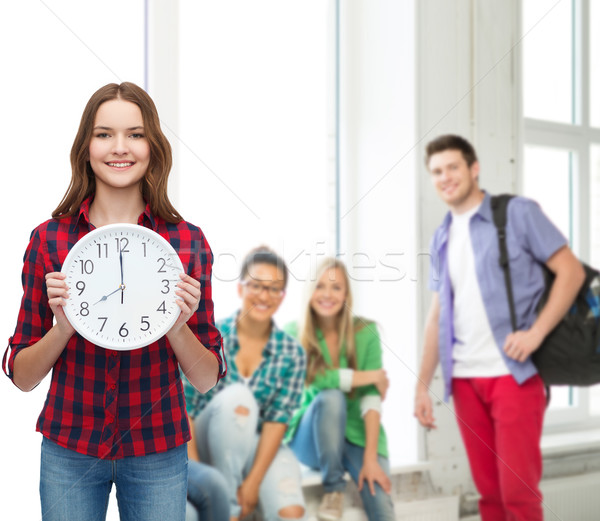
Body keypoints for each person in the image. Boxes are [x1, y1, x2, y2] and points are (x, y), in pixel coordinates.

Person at [3, 82, 226, 521]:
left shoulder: (186, 243)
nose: (119, 147)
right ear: (86, 146)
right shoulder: (49, 240)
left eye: (135, 134)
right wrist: (63, 326)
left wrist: (178, 325)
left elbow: (206, 379)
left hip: (157, 449)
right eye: (104, 133)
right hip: (71, 445)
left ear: (153, 147)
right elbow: (22, 375)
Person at [414, 134, 586, 521]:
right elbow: (436, 316)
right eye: (436, 172)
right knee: (489, 497)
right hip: (464, 381)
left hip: (513, 375)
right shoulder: (441, 237)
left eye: (453, 167)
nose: (445, 177)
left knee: (518, 497)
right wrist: (422, 385)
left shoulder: (516, 214)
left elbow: (571, 273)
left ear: (473, 169)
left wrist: (536, 333)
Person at [182, 246, 307, 521]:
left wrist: (252, 484)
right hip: (203, 443)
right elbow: (185, 412)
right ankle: (230, 512)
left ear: (282, 296)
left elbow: (277, 422)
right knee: (239, 399)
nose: (264, 296)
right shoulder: (211, 338)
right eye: (256, 286)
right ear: (240, 289)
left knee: (291, 512)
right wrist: (205, 482)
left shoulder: (292, 354)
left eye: (274, 289)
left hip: (257, 447)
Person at [284, 258, 395, 521]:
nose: (327, 295)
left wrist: (370, 457)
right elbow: (316, 378)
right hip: (310, 438)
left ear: (346, 294)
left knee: (381, 503)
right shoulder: (293, 333)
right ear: (310, 291)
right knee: (331, 398)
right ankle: (334, 490)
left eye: (336, 288)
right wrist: (370, 375)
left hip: (356, 437)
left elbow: (371, 396)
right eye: (320, 286)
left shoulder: (366, 332)